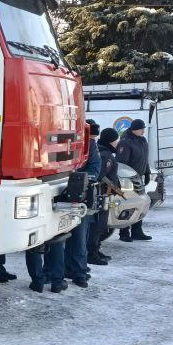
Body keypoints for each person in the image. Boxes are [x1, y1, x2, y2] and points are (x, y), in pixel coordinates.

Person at [64, 119, 103, 286]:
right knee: (62, 237)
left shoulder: (90, 144)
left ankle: (79, 272)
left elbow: (94, 170)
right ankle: (67, 268)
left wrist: (77, 179)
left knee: (79, 238)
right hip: (62, 194)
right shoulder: (66, 139)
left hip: (81, 196)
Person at [115, 119, 153, 241]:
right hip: (129, 179)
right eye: (141, 128)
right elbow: (122, 162)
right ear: (135, 129)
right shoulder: (126, 141)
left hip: (139, 177)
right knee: (128, 204)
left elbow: (145, 158)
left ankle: (137, 230)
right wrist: (125, 179)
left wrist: (147, 172)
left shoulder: (142, 140)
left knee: (140, 204)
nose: (143, 131)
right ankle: (124, 232)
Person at [89, 127, 122, 261]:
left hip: (104, 195)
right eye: (115, 140)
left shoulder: (105, 152)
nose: (117, 143)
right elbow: (100, 176)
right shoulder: (105, 155)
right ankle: (91, 253)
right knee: (98, 225)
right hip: (102, 195)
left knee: (101, 225)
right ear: (110, 141)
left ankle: (95, 250)